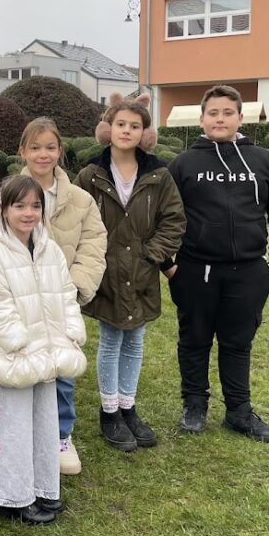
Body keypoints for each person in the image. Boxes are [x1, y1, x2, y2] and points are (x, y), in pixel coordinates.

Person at [163, 85, 269, 443]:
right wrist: (169, 266)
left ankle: (239, 411)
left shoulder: (264, 161)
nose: (220, 119)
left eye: (227, 113)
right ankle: (194, 405)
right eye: (212, 113)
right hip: (194, 270)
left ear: (240, 117)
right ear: (202, 119)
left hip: (250, 271)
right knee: (195, 340)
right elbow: (162, 216)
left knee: (238, 343)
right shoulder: (184, 164)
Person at [0, 118, 106, 475]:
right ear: (23, 151)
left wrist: (74, 285)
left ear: (59, 152)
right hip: (20, 298)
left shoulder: (80, 200)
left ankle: (60, 435)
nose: (43, 154)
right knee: (23, 365)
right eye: (35, 147)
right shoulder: (7, 195)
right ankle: (23, 435)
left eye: (50, 147)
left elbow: (95, 244)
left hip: (60, 299)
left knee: (61, 369)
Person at [0, 175, 88, 524]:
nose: (28, 213)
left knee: (43, 424)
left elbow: (64, 294)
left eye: (35, 206)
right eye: (19, 205)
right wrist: (17, 341)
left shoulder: (49, 249)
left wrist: (70, 331)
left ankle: (40, 489)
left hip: (47, 354)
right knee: (14, 428)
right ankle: (10, 498)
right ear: (4, 209)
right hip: (14, 356)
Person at [76, 94, 185, 452]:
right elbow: (75, 221)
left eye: (134, 126)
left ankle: (128, 407)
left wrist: (152, 256)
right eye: (121, 124)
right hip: (105, 273)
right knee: (110, 341)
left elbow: (173, 220)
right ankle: (109, 412)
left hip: (141, 273)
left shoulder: (158, 175)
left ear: (145, 133)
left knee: (134, 342)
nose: (127, 131)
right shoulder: (91, 174)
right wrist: (91, 262)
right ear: (108, 129)